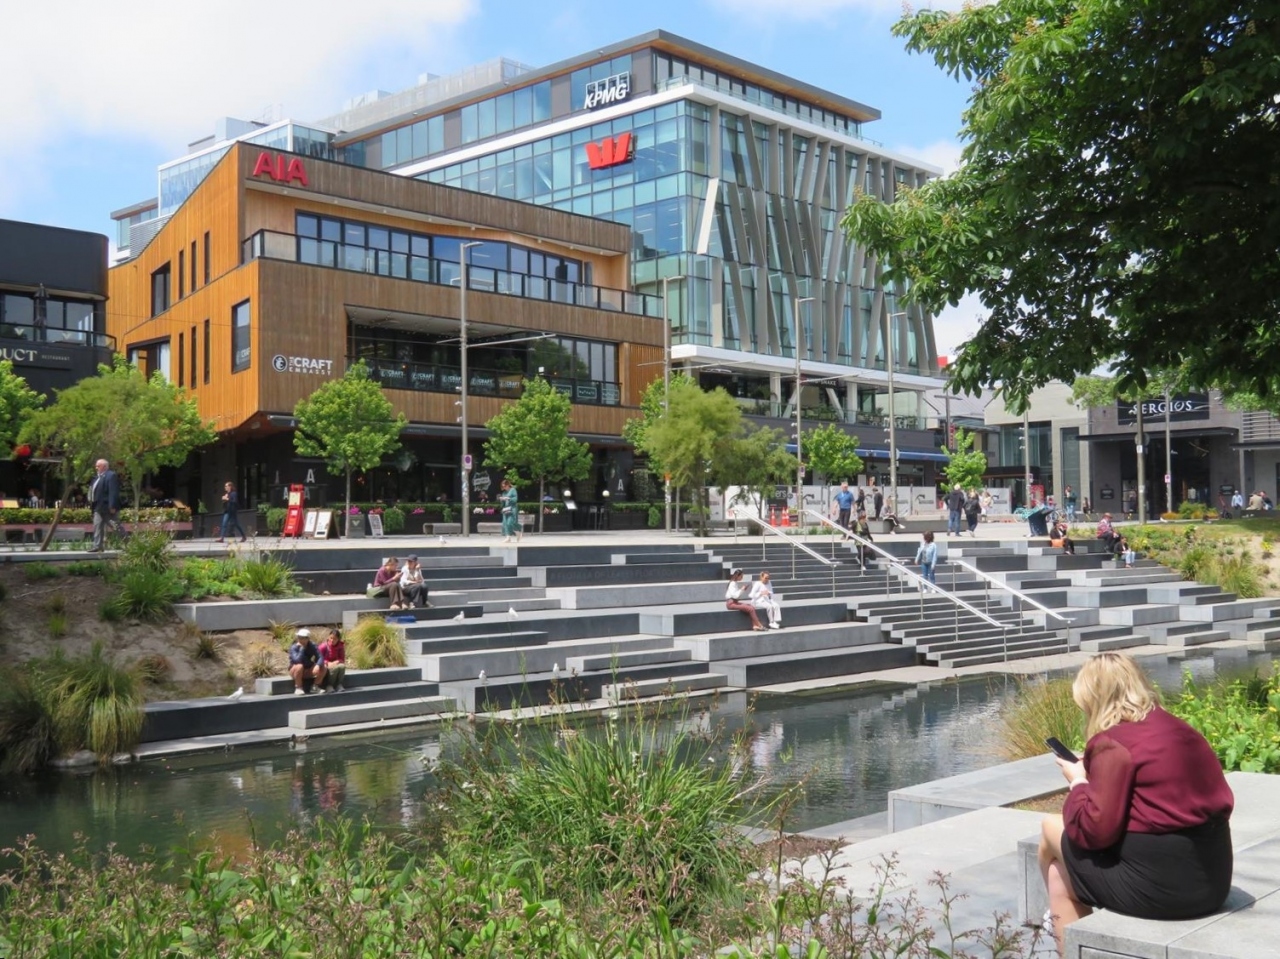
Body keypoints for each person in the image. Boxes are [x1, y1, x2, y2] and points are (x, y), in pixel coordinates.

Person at [1037, 654, 1233, 955]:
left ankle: (1052, 921)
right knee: (1058, 876)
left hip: (1159, 889)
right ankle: (1057, 923)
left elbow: (1093, 832)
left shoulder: (1112, 743)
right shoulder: (1179, 729)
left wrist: (1078, 782)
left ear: (1094, 699)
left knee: (1050, 827)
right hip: (1212, 881)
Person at [88, 458, 122, 552]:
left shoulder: (111, 475)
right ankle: (97, 546)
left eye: (98, 466)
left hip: (107, 508)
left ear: (104, 466)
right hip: (98, 507)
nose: (96, 468)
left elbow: (113, 492)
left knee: (115, 526)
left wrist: (112, 506)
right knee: (97, 526)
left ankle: (128, 544)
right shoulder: (97, 478)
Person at [288, 628, 327, 695]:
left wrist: (317, 665)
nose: (300, 639)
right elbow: (297, 660)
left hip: (307, 669)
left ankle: (315, 687)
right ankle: (298, 687)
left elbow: (320, 657)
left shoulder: (312, 645)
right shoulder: (294, 647)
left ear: (308, 639)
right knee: (299, 666)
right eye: (299, 637)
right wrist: (302, 649)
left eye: (302, 638)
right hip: (295, 671)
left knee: (324, 667)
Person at [318, 628, 347, 692]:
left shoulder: (340, 646)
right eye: (331, 638)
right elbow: (319, 658)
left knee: (342, 666)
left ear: (338, 639)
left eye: (335, 639)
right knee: (334, 668)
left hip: (336, 663)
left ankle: (338, 684)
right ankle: (329, 685)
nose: (332, 640)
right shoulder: (323, 646)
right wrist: (327, 662)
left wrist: (337, 661)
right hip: (325, 664)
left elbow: (342, 659)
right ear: (328, 637)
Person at [499, 478, 521, 543]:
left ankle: (518, 531)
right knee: (505, 523)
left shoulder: (513, 490)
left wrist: (508, 498)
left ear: (508, 485)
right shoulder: (504, 493)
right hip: (506, 509)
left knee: (510, 522)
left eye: (505, 486)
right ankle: (508, 537)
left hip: (512, 508)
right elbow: (503, 503)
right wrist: (502, 500)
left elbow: (515, 499)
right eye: (503, 486)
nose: (504, 487)